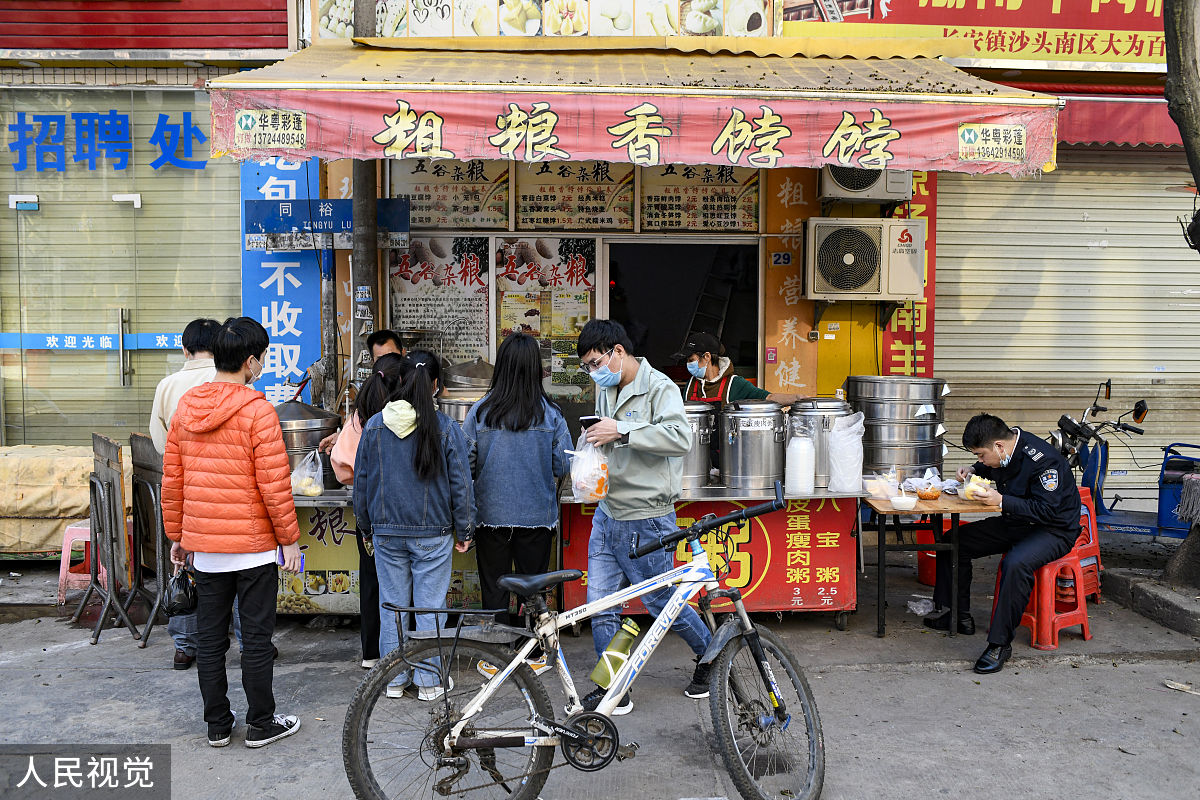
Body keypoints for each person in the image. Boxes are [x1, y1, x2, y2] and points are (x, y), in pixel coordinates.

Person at [163, 316, 304, 749]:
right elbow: (274, 484)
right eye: (261, 358)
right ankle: (261, 723)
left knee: (210, 639)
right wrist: (290, 539)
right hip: (253, 549)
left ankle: (218, 725)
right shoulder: (257, 410)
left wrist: (177, 536)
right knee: (256, 639)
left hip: (205, 549)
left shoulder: (186, 408)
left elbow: (174, 479)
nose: (262, 365)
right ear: (249, 362)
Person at [576, 319, 712, 715]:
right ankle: (613, 687)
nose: (593, 372)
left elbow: (678, 438)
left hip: (648, 518)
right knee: (600, 605)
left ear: (618, 352)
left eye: (595, 362)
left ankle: (711, 656)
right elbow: (608, 438)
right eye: (587, 367)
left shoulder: (660, 388)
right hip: (608, 512)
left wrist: (623, 429)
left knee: (659, 601)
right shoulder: (607, 387)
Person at [353, 349, 475, 701]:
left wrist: (366, 528)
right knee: (429, 607)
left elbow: (362, 483)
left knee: (391, 606)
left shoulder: (375, 425)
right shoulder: (446, 428)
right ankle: (429, 682)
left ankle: (392, 680)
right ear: (436, 385)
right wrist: (465, 531)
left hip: (386, 532)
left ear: (400, 380)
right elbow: (460, 486)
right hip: (433, 535)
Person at [924, 413, 1081, 675]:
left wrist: (1000, 501)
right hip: (1018, 521)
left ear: (998, 446)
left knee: (1015, 563)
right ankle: (958, 616)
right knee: (955, 541)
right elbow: (996, 467)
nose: (980, 459)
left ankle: (999, 644)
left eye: (981, 455)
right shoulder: (1006, 450)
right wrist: (975, 470)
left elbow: (1047, 511)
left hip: (1053, 530)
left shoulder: (1045, 462)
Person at [463, 333, 571, 679]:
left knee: (495, 589)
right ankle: (538, 653)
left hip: (490, 516)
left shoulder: (480, 412)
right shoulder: (551, 414)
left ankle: (495, 655)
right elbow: (564, 465)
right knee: (534, 591)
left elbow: (465, 463)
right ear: (535, 370)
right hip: (536, 517)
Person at [150, 318, 219, 671]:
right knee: (237, 562)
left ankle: (185, 645)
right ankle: (254, 641)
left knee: (186, 567)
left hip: (184, 486)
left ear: (184, 347)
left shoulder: (167, 386)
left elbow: (160, 441)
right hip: (225, 487)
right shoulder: (228, 382)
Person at [328, 353, 404, 670]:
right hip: (401, 510)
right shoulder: (403, 415)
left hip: (369, 511)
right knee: (402, 586)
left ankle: (372, 653)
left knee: (372, 581)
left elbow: (340, 465)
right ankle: (402, 655)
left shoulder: (360, 416)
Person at [317, 329, 405, 454]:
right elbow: (358, 423)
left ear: (403, 354)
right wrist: (343, 436)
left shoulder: (414, 388)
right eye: (381, 359)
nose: (387, 363)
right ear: (373, 361)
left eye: (392, 356)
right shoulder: (370, 395)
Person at [673, 331, 800, 407]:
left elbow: (769, 397)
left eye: (691, 360)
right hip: (696, 450)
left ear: (706, 357)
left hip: (725, 450)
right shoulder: (691, 384)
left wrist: (798, 398)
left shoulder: (734, 384)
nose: (688, 365)